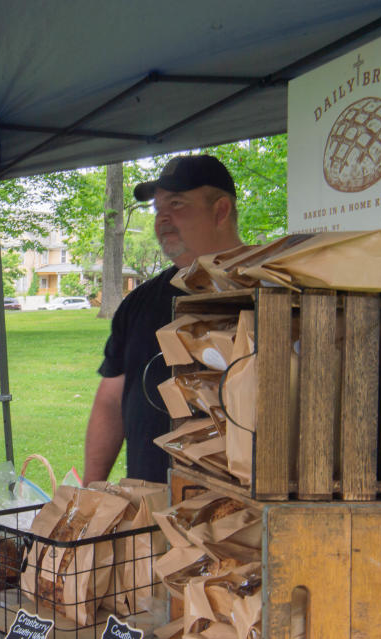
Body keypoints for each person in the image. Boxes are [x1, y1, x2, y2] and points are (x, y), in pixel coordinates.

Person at [82, 155, 243, 485]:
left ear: (221, 211)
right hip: (150, 510)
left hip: (236, 515)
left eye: (177, 203)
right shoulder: (139, 303)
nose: (162, 219)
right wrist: (91, 488)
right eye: (157, 209)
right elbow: (111, 400)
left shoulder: (268, 291)